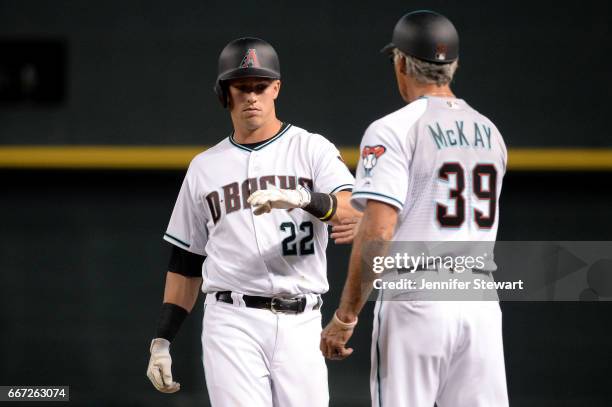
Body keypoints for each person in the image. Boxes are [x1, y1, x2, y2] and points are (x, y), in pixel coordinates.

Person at [145, 37, 360, 406]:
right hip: (231, 320)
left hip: (301, 318)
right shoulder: (204, 168)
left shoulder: (311, 148)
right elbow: (186, 262)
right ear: (224, 93)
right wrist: (162, 340)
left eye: (260, 86)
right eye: (241, 87)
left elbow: (353, 208)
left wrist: (304, 197)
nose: (251, 96)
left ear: (276, 87)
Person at [320, 10, 509, 407]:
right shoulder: (491, 132)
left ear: (402, 62)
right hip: (480, 300)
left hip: (417, 295)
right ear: (452, 67)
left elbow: (379, 234)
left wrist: (345, 317)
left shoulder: (394, 128)